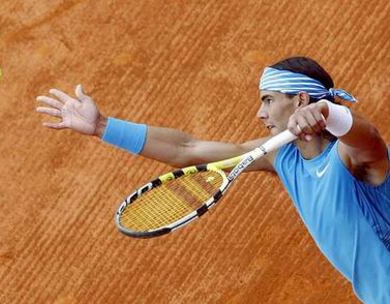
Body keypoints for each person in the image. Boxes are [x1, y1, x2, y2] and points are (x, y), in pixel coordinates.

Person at [36, 57, 390, 303]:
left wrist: (330, 113)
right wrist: (102, 127)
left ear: (300, 99)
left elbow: (368, 138)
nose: (260, 113)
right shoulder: (279, 155)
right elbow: (187, 148)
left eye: (268, 100)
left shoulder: (350, 157)